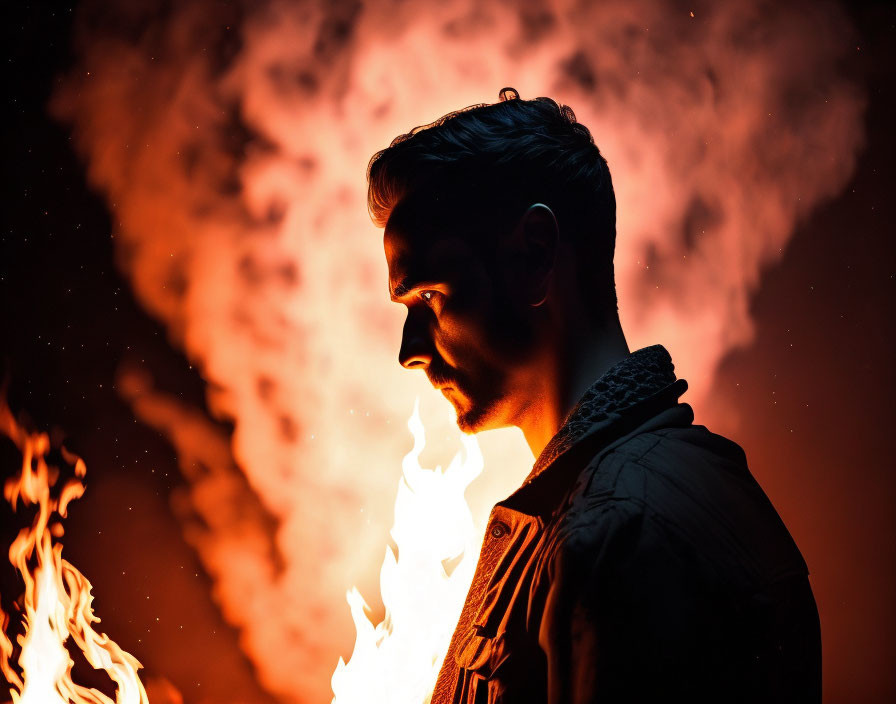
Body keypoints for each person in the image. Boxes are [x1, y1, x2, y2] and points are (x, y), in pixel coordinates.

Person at [367, 88, 821, 703]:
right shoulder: (630, 504)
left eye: (429, 297)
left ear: (535, 254)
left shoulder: (620, 533)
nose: (410, 350)